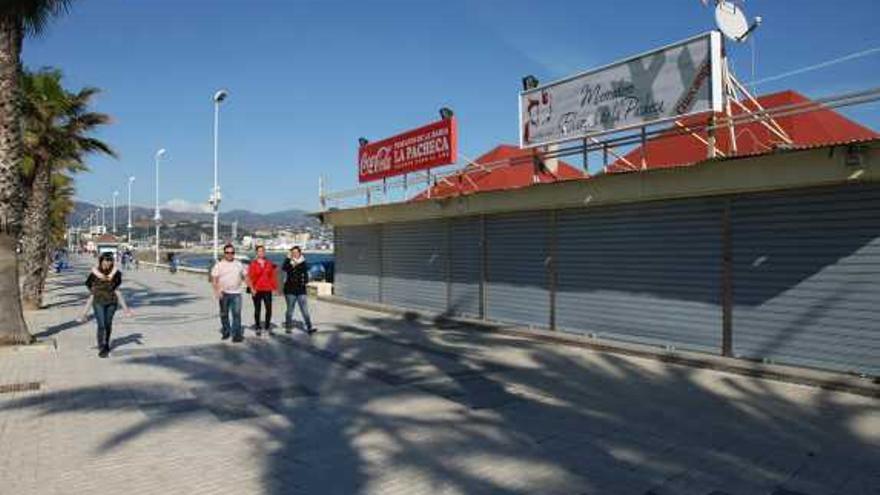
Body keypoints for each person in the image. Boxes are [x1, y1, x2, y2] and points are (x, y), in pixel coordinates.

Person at [84, 252, 132, 358]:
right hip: (98, 302)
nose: (107, 263)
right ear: (101, 260)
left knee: (108, 324)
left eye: (110, 261)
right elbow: (88, 284)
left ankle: (106, 343)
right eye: (105, 260)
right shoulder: (94, 273)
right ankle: (102, 347)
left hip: (111, 302)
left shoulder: (116, 274)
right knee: (101, 325)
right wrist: (95, 291)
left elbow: (117, 289)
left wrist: (126, 309)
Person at [211, 243, 249, 342]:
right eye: (227, 252)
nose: (230, 254)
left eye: (232, 252)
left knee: (236, 314)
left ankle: (237, 334)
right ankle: (226, 331)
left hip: (236, 293)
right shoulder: (219, 265)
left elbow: (245, 276)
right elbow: (214, 279)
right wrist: (216, 291)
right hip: (223, 293)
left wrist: (251, 287)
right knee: (224, 314)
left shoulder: (238, 264)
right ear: (224, 253)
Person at [282, 246, 315, 334]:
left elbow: (306, 273)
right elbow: (284, 268)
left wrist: (305, 282)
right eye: (293, 253)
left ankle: (309, 327)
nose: (295, 254)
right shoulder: (289, 262)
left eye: (296, 252)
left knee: (305, 310)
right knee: (290, 310)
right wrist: (288, 258)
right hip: (289, 290)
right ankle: (288, 327)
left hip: (301, 290)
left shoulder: (303, 263)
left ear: (300, 253)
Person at [247, 245, 278, 336]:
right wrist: (252, 288)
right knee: (257, 309)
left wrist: (275, 288)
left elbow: (273, 277)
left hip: (267, 289)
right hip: (257, 289)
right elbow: (249, 277)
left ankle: (267, 327)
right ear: (256, 253)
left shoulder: (269, 263)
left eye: (263, 251)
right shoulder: (253, 264)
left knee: (269, 308)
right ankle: (257, 327)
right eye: (259, 251)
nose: (261, 252)